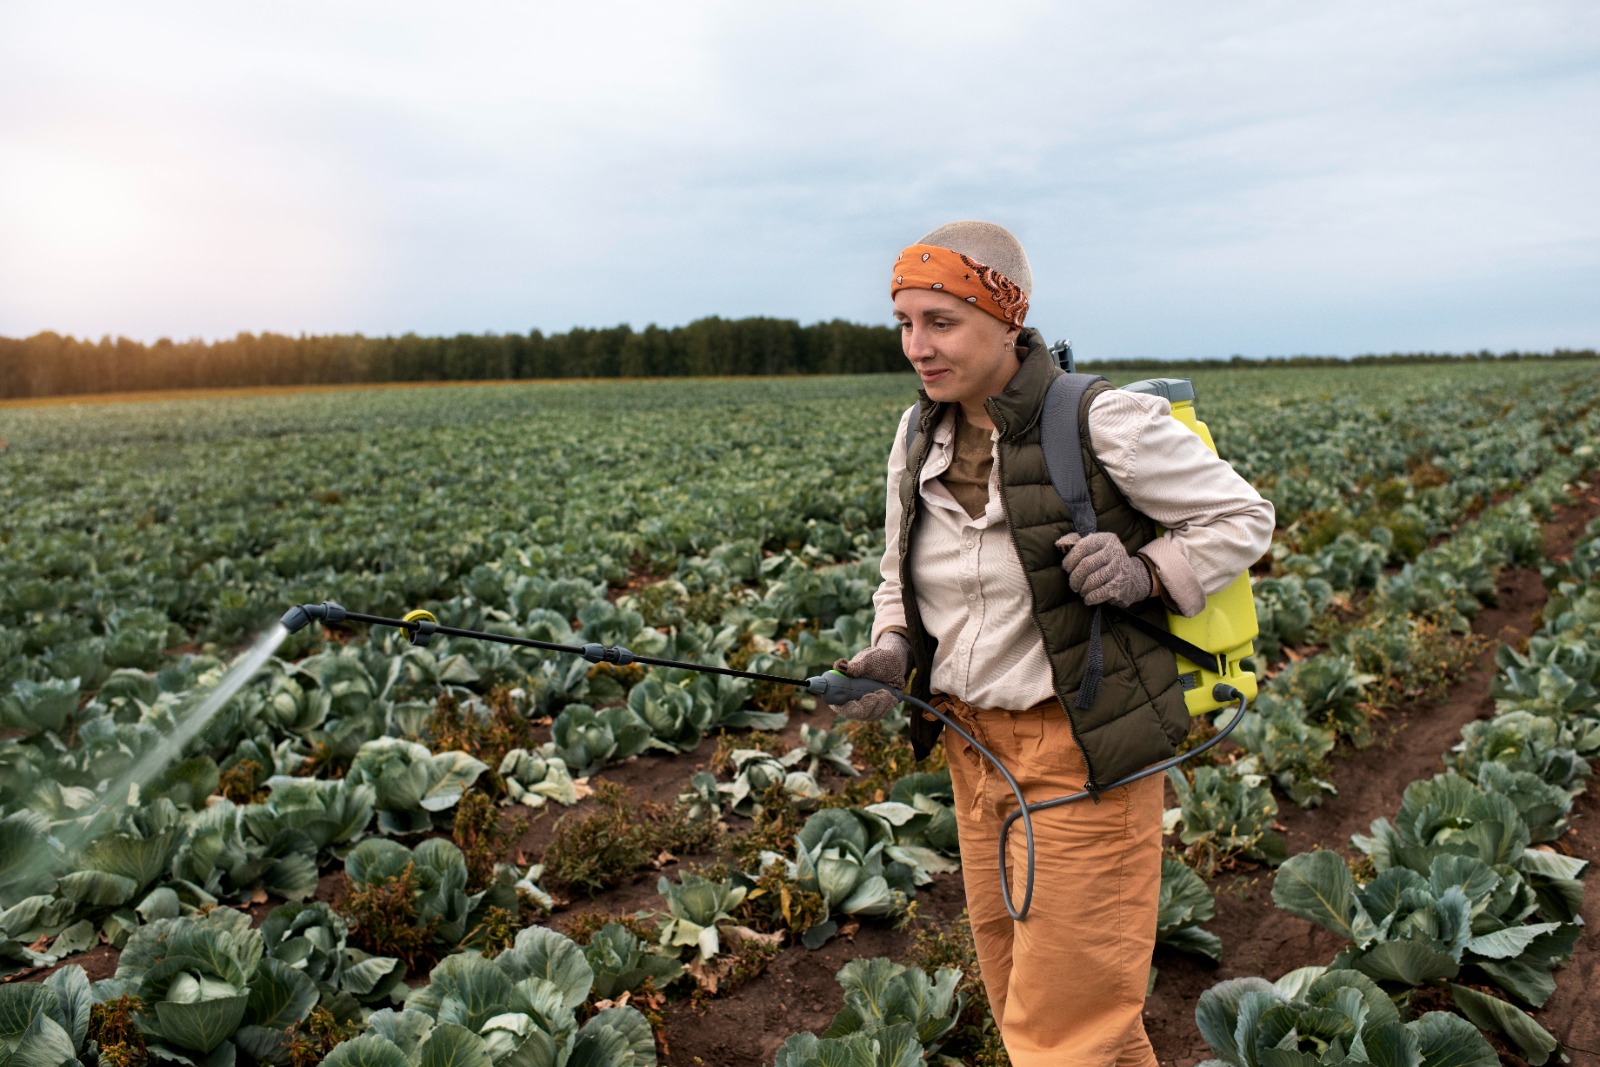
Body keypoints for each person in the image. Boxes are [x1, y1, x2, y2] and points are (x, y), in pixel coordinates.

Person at [833, 221, 1275, 1065]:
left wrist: (1147, 569)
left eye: (941, 321)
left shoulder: (1105, 420)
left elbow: (1245, 516)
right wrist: (893, 648)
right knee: (1028, 1006)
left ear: (1008, 318)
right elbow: (899, 570)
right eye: (904, 322)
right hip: (972, 752)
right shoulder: (916, 434)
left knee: (1063, 1035)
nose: (916, 346)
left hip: (1079, 756)